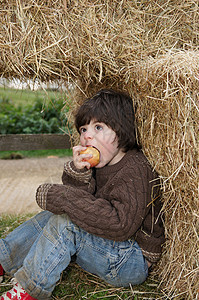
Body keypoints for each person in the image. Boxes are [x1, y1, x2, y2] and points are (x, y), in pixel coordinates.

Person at [0, 89, 165, 300]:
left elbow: (119, 225)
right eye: (83, 129)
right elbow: (82, 205)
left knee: (66, 224)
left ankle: (29, 291)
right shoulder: (99, 164)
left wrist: (61, 196)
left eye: (98, 127)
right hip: (105, 243)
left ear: (121, 129)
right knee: (54, 217)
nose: (87, 136)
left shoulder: (136, 168)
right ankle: (4, 259)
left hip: (130, 259)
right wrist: (79, 173)